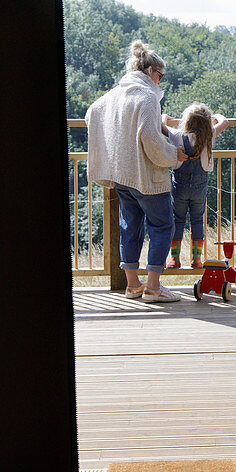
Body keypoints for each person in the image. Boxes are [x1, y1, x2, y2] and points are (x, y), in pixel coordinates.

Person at [85, 40, 188, 303]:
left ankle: (132, 285)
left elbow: (91, 114)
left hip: (122, 174)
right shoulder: (147, 96)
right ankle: (153, 286)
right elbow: (152, 143)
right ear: (151, 71)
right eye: (160, 76)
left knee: (130, 227)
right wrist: (173, 156)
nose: (160, 82)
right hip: (147, 177)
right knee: (163, 226)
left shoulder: (114, 94)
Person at [163, 103, 229, 269]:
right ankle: (196, 259)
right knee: (197, 220)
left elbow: (161, 126)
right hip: (199, 188)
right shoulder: (209, 135)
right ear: (206, 123)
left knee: (177, 220)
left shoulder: (178, 136)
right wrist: (215, 118)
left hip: (180, 188)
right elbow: (225, 121)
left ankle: (174, 260)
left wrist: (165, 117)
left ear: (186, 121)